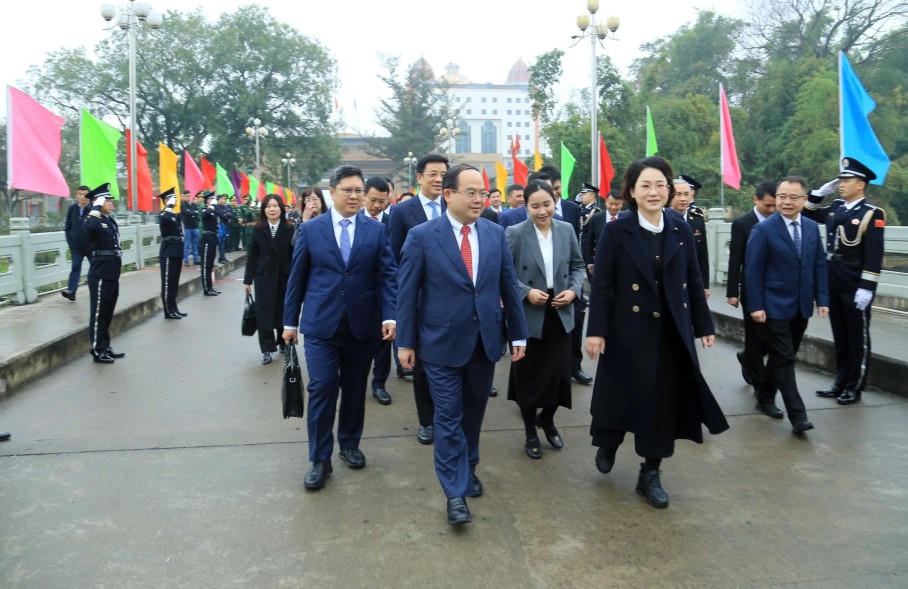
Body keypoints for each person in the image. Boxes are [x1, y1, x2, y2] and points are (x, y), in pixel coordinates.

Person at [585, 157, 728, 509]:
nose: (654, 192)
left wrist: (704, 324)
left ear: (670, 189)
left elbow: (693, 280)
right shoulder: (617, 230)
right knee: (621, 397)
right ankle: (609, 441)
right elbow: (602, 284)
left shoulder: (679, 227)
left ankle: (651, 472)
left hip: (670, 333)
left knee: (662, 405)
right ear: (632, 192)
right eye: (645, 185)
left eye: (660, 185)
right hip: (626, 332)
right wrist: (596, 330)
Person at [396, 163, 528, 525]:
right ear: (449, 194)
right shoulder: (423, 236)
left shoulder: (493, 232)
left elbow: (508, 286)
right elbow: (406, 292)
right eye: (470, 192)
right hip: (438, 345)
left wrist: (517, 333)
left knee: (473, 414)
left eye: (482, 193)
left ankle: (469, 467)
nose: (478, 199)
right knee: (448, 418)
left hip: (484, 342)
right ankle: (454, 493)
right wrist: (405, 342)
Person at [282, 165, 397, 491]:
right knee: (322, 387)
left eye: (358, 190)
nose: (354, 196)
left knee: (354, 388)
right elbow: (297, 278)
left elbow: (387, 275)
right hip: (321, 326)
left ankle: (348, 444)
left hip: (362, 326)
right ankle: (320, 459)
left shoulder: (375, 231)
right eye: (348, 190)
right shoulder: (312, 230)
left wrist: (390, 316)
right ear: (332, 192)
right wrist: (290, 322)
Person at [505, 180, 585, 459]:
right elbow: (504, 274)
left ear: (555, 202)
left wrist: (574, 291)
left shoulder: (566, 229)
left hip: (560, 309)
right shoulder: (514, 233)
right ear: (525, 206)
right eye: (535, 206)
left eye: (547, 204)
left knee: (559, 375)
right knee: (529, 377)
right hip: (529, 313)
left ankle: (547, 419)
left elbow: (578, 266)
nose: (542, 211)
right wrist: (526, 293)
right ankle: (530, 431)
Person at [746, 176, 829, 432]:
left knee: (783, 356)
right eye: (782, 196)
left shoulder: (812, 228)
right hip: (773, 305)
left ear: (804, 200)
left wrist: (822, 300)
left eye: (794, 197)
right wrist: (756, 305)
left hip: (801, 305)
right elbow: (752, 271)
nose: (787, 202)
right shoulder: (764, 230)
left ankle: (765, 397)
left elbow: (819, 265)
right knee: (785, 358)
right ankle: (798, 416)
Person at [804, 157, 886, 405]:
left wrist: (867, 287)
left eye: (846, 180)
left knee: (856, 335)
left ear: (860, 184)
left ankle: (855, 385)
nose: (840, 184)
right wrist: (817, 195)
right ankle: (840, 381)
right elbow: (807, 214)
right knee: (839, 333)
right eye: (840, 179)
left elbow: (874, 254)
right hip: (833, 278)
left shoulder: (872, 214)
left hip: (854, 281)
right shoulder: (836, 208)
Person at [388, 153, 450, 445]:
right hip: (421, 303)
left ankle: (449, 417)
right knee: (423, 366)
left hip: (454, 302)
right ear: (420, 177)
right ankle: (427, 420)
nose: (439, 179)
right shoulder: (403, 212)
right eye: (433, 174)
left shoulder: (454, 205)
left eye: (443, 174)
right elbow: (395, 262)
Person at [726, 182, 777, 391]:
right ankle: (759, 382)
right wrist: (732, 292)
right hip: (752, 289)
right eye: (768, 205)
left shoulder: (780, 221)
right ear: (756, 200)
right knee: (755, 335)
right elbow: (735, 259)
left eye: (775, 205)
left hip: (775, 289)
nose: (772, 210)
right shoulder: (742, 224)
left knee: (771, 336)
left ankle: (747, 357)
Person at [245, 194, 294, 365]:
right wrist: (247, 280)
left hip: (284, 276)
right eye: (268, 206)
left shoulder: (289, 229)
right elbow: (252, 255)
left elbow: (294, 255)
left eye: (275, 206)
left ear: (281, 208)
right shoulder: (259, 229)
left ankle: (283, 342)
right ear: (264, 210)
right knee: (264, 313)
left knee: (283, 311)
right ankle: (266, 349)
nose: (272, 209)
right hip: (263, 277)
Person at [84, 184, 125, 364]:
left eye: (110, 200)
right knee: (99, 312)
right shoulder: (92, 219)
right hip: (100, 272)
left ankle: (105, 346)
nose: (111, 203)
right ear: (98, 201)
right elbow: (89, 228)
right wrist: (95, 207)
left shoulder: (108, 220)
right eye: (107, 200)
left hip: (111, 271)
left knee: (108, 311)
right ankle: (97, 349)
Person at [361, 177, 393, 404]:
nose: (377, 206)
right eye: (373, 200)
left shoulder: (394, 222)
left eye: (382, 202)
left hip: (385, 292)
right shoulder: (353, 221)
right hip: (357, 293)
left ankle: (379, 383)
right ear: (364, 196)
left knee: (384, 341)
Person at [670, 176, 710, 297]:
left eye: (686, 194)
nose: (683, 199)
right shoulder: (661, 218)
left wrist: (705, 285)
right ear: (670, 195)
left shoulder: (697, 218)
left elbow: (703, 254)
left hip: (692, 279)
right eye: (678, 194)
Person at [158, 188, 186, 320]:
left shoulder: (174, 215)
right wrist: (168, 205)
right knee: (168, 282)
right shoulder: (164, 214)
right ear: (166, 200)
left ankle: (174, 308)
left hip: (177, 251)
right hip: (168, 252)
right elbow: (163, 219)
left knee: (174, 282)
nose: (175, 200)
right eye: (172, 198)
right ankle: (168, 311)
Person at [582, 189, 624, 275]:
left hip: (622, 264)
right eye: (611, 204)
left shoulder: (627, 219)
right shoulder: (596, 218)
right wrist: (589, 261)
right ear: (606, 202)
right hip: (601, 263)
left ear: (622, 204)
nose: (613, 207)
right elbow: (588, 241)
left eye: (617, 204)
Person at [61, 185, 91, 301]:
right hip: (76, 247)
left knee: (95, 268)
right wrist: (70, 242)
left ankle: (96, 288)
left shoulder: (93, 210)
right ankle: (71, 291)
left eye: (85, 194)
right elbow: (68, 227)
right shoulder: (72, 209)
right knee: (75, 267)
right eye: (80, 194)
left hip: (91, 246)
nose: (82, 197)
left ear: (90, 197)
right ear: (76, 196)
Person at [199, 192, 220, 296]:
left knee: (210, 265)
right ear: (207, 200)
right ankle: (206, 289)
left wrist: (215, 206)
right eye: (211, 199)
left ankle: (211, 287)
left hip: (213, 238)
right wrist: (211, 206)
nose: (213, 200)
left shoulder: (213, 209)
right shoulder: (204, 209)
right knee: (205, 265)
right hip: (206, 238)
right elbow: (204, 214)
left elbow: (222, 213)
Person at [181, 191, 201, 266]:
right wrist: (192, 213)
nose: (188, 197)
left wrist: (191, 213)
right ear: (184, 196)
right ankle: (186, 260)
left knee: (195, 244)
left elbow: (196, 213)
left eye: (189, 196)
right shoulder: (183, 204)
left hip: (195, 226)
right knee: (187, 244)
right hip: (187, 227)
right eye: (187, 196)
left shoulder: (193, 204)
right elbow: (186, 213)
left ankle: (195, 259)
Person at [215, 194, 233, 263]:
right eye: (222, 199)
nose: (224, 200)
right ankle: (221, 258)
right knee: (220, 243)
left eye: (224, 199)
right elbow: (221, 214)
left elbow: (231, 215)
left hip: (225, 226)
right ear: (218, 200)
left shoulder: (226, 206)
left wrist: (226, 214)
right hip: (220, 227)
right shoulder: (216, 207)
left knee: (224, 243)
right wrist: (226, 214)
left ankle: (223, 257)